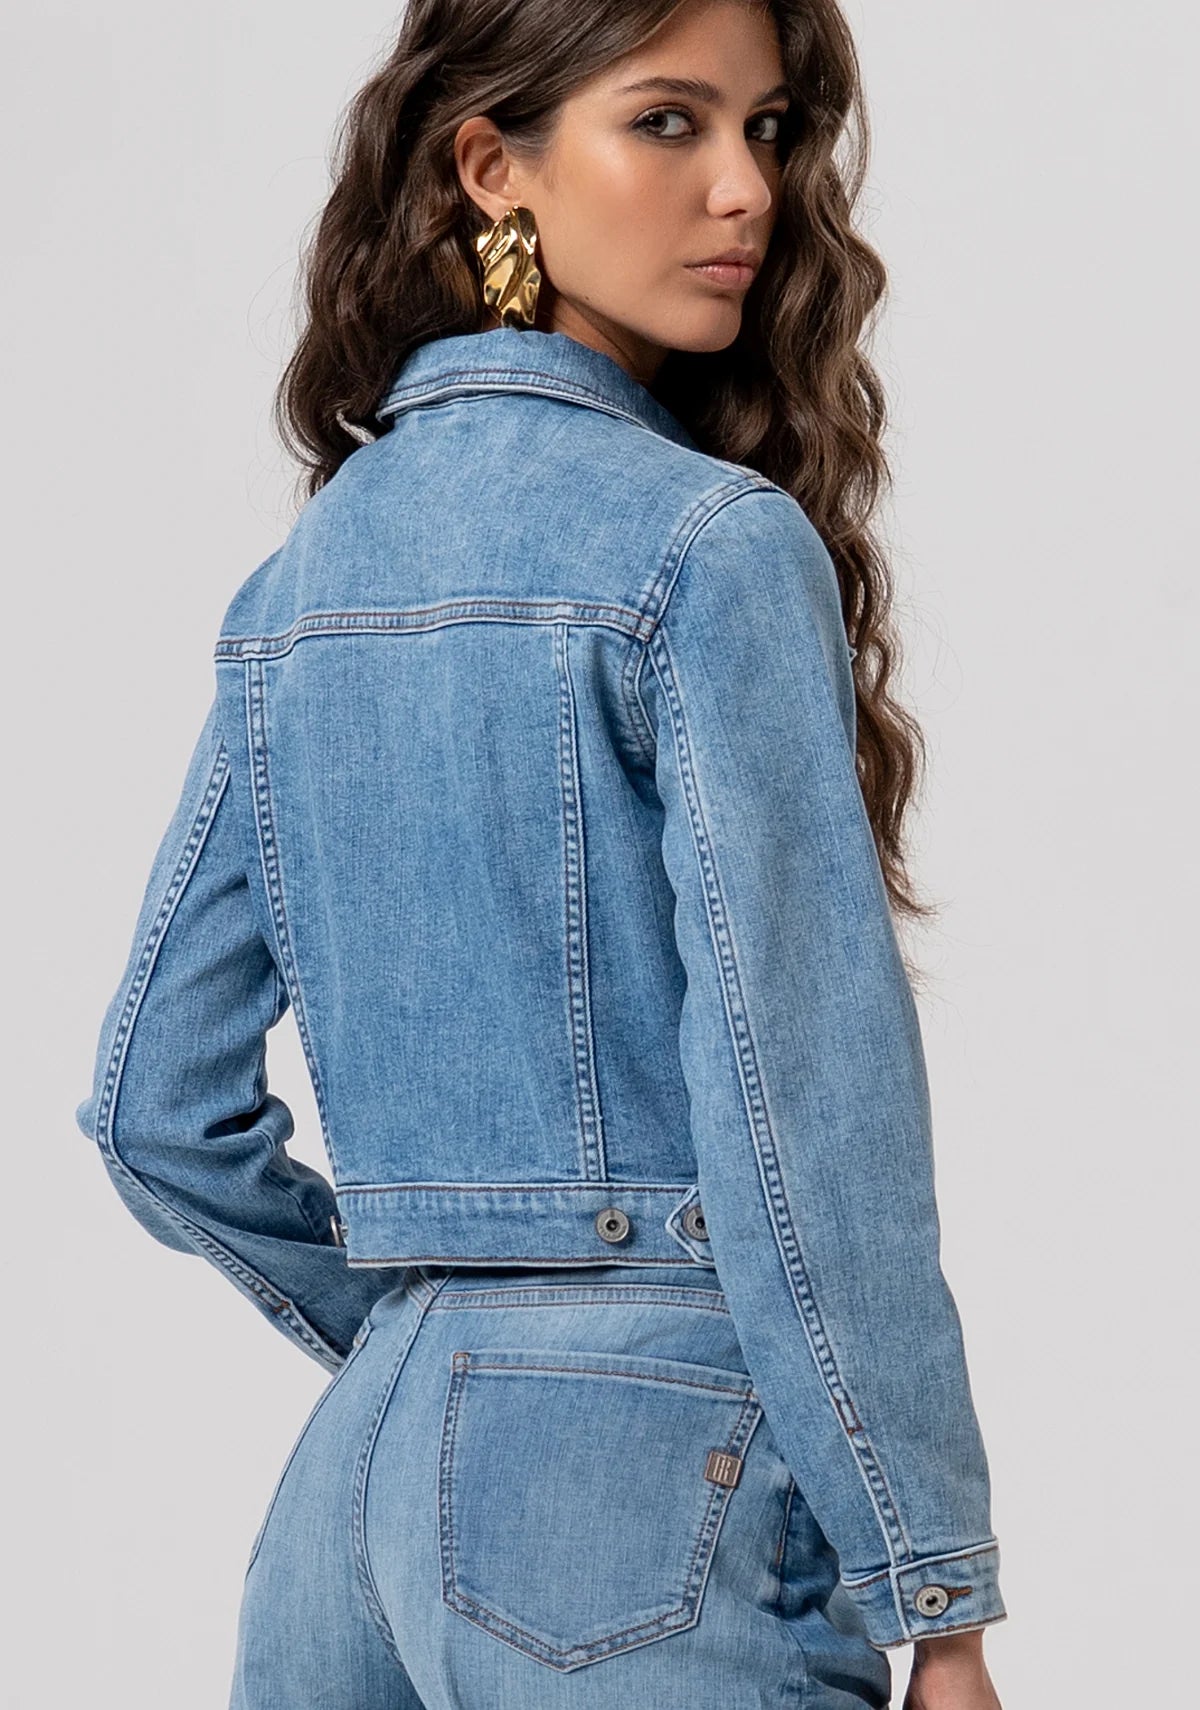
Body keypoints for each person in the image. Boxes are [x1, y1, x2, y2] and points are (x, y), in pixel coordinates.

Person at [75, 0, 1009, 1704]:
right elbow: (803, 1108)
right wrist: (932, 1585)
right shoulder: (709, 547)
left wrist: (434, 1337)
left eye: (768, 129)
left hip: (346, 1516)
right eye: (668, 122)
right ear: (490, 168)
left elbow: (155, 1104)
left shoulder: (299, 587)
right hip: (640, 1511)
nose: (747, 188)